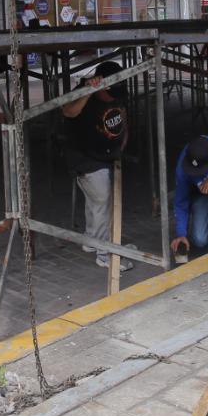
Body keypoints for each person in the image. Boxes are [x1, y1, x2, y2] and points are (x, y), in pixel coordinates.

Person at [62, 60, 131, 270]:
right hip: (85, 158)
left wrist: (121, 145)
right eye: (109, 93)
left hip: (106, 155)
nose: (112, 98)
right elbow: (68, 111)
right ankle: (105, 254)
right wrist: (90, 90)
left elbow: (123, 121)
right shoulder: (85, 93)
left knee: (97, 202)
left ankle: (91, 240)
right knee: (102, 201)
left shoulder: (116, 95)